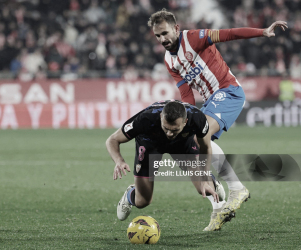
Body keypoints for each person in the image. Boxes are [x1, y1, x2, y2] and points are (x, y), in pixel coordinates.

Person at [147, 9, 287, 230]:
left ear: (176, 28)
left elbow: (228, 33)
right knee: (189, 141)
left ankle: (235, 189)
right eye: (157, 36)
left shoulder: (193, 38)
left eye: (165, 33)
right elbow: (186, 93)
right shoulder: (169, 61)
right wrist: (187, 118)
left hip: (228, 92)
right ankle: (218, 201)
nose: (162, 39)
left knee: (199, 137)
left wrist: (262, 32)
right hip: (211, 101)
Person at [106, 100, 235, 231]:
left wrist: (204, 175)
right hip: (150, 144)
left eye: (174, 129)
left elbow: (206, 147)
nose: (169, 133)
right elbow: (112, 140)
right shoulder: (145, 118)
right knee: (142, 201)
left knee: (203, 186)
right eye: (166, 128)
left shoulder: (197, 118)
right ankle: (130, 194)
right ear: (161, 117)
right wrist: (119, 161)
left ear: (185, 122)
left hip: (182, 144)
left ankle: (211, 181)